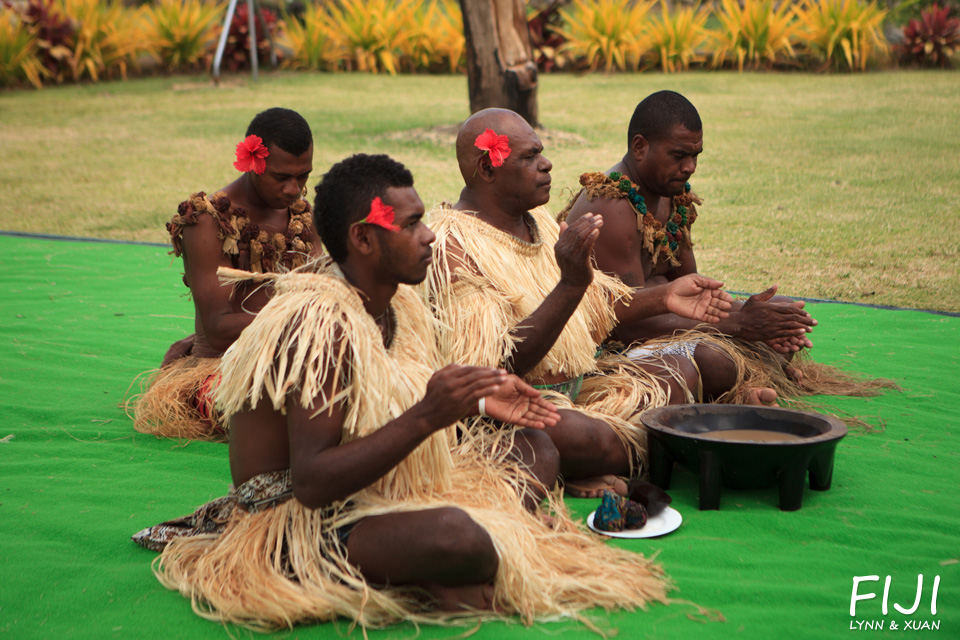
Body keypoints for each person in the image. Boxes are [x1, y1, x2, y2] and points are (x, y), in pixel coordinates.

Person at [133, 154, 672, 631]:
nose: (430, 235)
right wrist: (430, 415)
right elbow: (312, 482)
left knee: (534, 448)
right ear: (364, 239)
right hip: (295, 518)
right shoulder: (320, 324)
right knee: (460, 539)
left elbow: (407, 396)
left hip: (375, 487)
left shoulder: (394, 298)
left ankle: (442, 571)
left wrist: (479, 399)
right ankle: (435, 567)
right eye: (412, 225)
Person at [421, 108, 738, 498]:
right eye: (529, 157)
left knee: (680, 371)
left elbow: (596, 304)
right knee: (590, 437)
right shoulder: (454, 246)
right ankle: (597, 457)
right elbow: (495, 369)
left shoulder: (537, 219)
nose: (546, 164)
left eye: (541, 152)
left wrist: (665, 296)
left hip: (581, 387)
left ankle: (590, 461)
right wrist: (569, 284)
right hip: (519, 410)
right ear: (488, 170)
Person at [562, 90, 896, 404]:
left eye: (695, 156)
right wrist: (738, 325)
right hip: (611, 347)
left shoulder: (672, 194)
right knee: (715, 361)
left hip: (664, 325)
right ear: (640, 147)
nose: (690, 166)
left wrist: (750, 313)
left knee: (776, 313)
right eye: (679, 155)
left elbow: (693, 292)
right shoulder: (613, 207)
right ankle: (746, 391)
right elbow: (623, 324)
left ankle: (762, 378)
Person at [129, 107, 320, 440]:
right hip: (220, 373)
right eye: (281, 177)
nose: (294, 188)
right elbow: (218, 329)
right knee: (296, 409)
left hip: (295, 360)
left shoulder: (305, 218)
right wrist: (306, 316)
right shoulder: (206, 221)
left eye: (303, 176)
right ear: (253, 162)